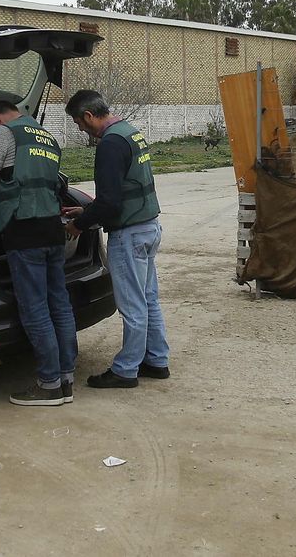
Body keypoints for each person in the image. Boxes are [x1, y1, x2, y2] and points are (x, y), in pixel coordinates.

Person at [0, 100, 77, 407]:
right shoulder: (46, 135)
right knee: (59, 303)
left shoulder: (2, 134)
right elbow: (42, 187)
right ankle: (65, 378)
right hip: (52, 231)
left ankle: (48, 385)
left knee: (35, 309)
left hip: (24, 234)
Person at [62, 90, 170, 389]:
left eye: (78, 123)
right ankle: (157, 360)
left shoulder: (110, 143)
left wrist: (79, 224)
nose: (81, 129)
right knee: (148, 299)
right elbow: (124, 189)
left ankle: (126, 370)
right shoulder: (130, 132)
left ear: (87, 116)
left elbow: (110, 203)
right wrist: (87, 208)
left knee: (132, 304)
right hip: (148, 227)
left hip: (129, 234)